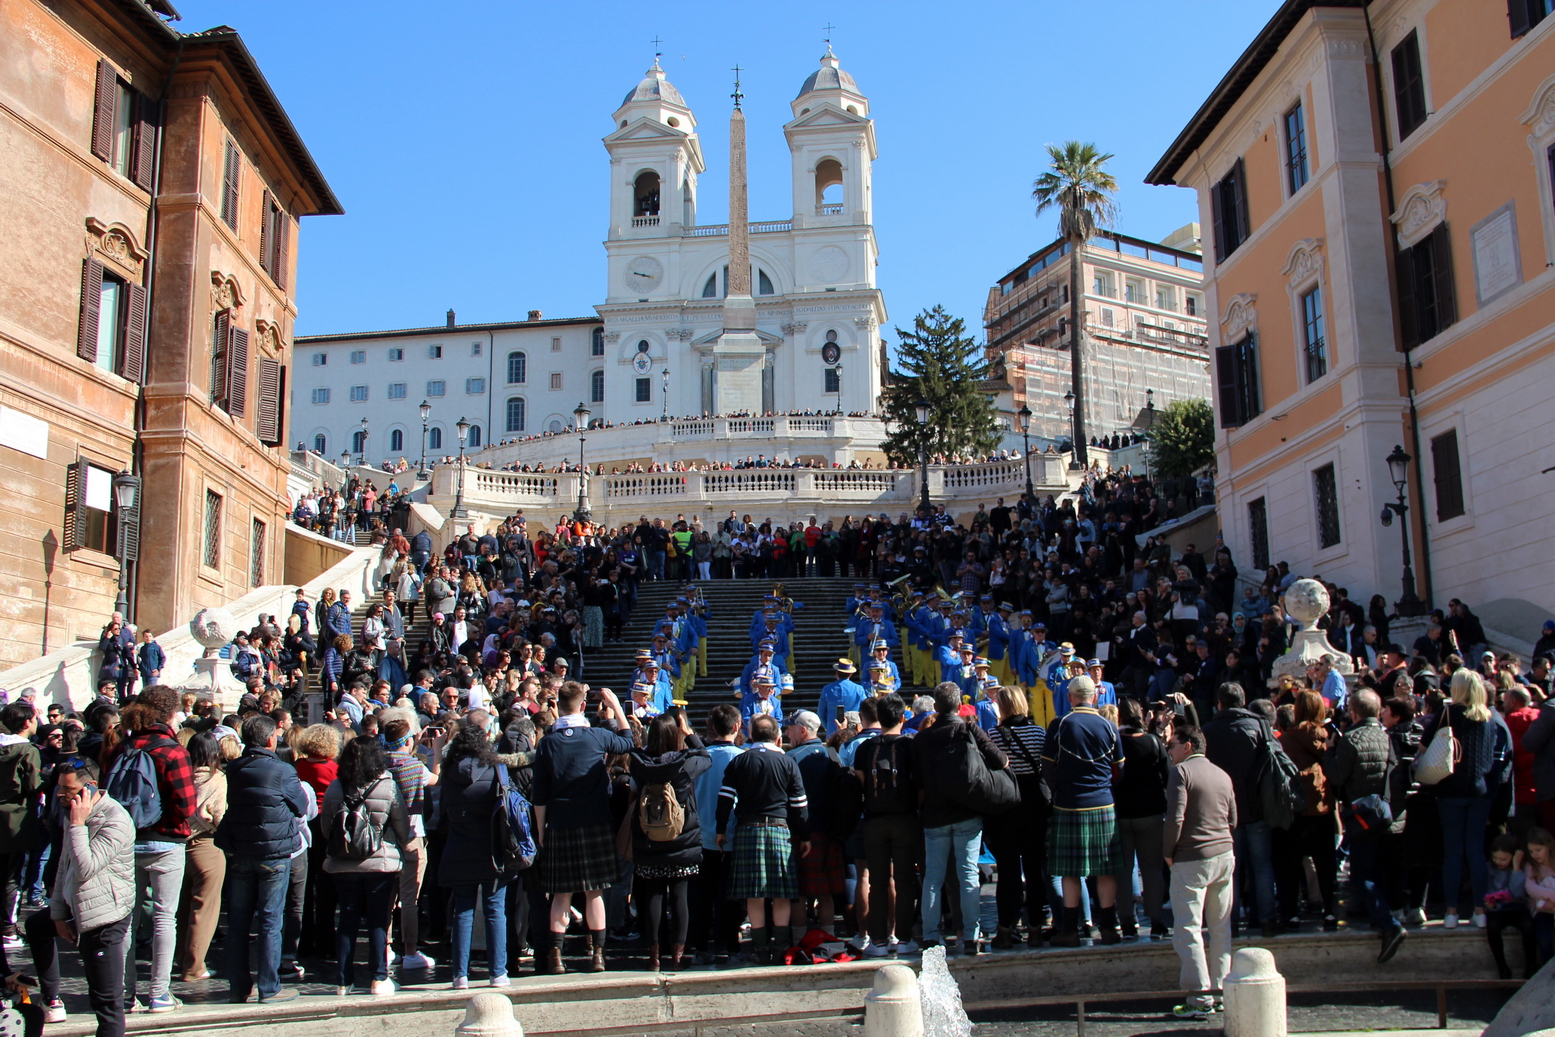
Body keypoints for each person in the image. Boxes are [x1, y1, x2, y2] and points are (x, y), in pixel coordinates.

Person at [532, 683, 634, 975]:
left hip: (560, 823)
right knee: (594, 892)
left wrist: (541, 830)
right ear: (582, 706)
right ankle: (598, 955)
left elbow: (539, 794)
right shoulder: (596, 736)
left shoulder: (547, 743)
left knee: (561, 894)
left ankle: (555, 958)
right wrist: (616, 707)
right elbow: (627, 742)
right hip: (595, 822)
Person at [217, 715, 311, 1005]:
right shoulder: (282, 770)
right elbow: (301, 806)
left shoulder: (234, 768)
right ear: (271, 739)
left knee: (238, 921)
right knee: (271, 920)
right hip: (274, 852)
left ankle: (238, 985)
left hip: (241, 849)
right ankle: (269, 987)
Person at [912, 680, 1009, 954]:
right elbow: (1002, 761)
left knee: (933, 878)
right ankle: (971, 936)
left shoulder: (922, 739)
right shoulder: (968, 729)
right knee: (968, 876)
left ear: (936, 705)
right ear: (958, 704)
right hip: (967, 811)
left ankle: (931, 936)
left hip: (935, 813)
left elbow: (917, 780)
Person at [46, 761, 136, 1037]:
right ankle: (50, 998)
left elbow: (85, 868)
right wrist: (58, 914)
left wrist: (77, 825)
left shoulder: (115, 819)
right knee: (37, 927)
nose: (61, 794)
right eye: (59, 787)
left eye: (68, 788)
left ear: (90, 787)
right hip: (79, 907)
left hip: (105, 916)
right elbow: (64, 865)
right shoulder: (74, 813)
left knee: (106, 1001)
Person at [716, 714, 809, 965]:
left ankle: (760, 949)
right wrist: (805, 835)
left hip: (748, 830)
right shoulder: (788, 762)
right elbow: (799, 805)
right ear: (778, 737)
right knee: (781, 894)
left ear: (750, 735)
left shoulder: (740, 761)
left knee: (753, 895)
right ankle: (780, 948)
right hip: (780, 829)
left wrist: (721, 829)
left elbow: (725, 799)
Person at [321, 735, 409, 997]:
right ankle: (378, 978)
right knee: (378, 920)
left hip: (343, 863)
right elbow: (402, 827)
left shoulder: (336, 787)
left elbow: (327, 828)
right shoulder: (388, 786)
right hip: (380, 862)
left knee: (347, 920)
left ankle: (343, 980)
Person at [1042, 675, 1124, 946]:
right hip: (1103, 802)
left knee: (1070, 870)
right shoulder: (1108, 725)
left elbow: (1047, 768)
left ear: (1070, 697)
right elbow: (1120, 769)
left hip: (1069, 803)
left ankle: (1070, 931)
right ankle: (1109, 928)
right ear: (1095, 696)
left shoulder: (1060, 724)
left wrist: (1059, 790)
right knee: (1105, 869)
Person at [1325, 688, 1406, 962]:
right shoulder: (1387, 736)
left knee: (1360, 875)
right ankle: (1381, 918)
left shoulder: (1350, 739)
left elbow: (1337, 776)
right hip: (1385, 813)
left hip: (1361, 815)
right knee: (1379, 870)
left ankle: (1388, 924)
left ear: (1354, 712)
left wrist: (1329, 752)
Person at [626, 710, 710, 971]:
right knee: (679, 896)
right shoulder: (684, 763)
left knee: (653, 894)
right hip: (681, 837)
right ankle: (678, 954)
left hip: (649, 836)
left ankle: (654, 954)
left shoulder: (639, 762)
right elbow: (705, 758)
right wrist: (689, 734)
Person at [1164, 723, 1237, 1021]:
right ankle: (1221, 992)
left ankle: (1199, 997)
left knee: (1188, 929)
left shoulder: (1181, 773)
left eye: (1172, 745)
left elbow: (1175, 818)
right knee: (1221, 928)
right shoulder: (1222, 774)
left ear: (1188, 746)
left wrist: (1168, 852)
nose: (1169, 751)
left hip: (1191, 857)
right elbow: (1233, 818)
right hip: (1224, 854)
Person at [437, 718, 516, 987]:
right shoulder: (496, 769)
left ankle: (460, 974)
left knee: (463, 910)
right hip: (493, 847)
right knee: (495, 909)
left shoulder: (449, 773)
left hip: (459, 846)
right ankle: (498, 972)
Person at [1202, 682, 1278, 937]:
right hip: (1257, 806)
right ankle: (1267, 919)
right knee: (1262, 865)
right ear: (1243, 702)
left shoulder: (1208, 732)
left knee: (1229, 871)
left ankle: (1230, 923)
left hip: (1224, 811)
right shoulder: (1259, 727)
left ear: (1220, 703)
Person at [1426, 670, 1498, 929]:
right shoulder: (1488, 718)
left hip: (1449, 789)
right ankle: (1480, 910)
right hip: (1479, 790)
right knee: (1476, 852)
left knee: (1453, 853)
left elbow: (1425, 744)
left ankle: (1451, 912)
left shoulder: (1447, 714)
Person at [853, 693, 920, 957]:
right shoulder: (910, 746)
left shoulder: (864, 748)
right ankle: (903, 938)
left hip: (873, 819)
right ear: (903, 717)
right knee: (904, 881)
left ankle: (878, 940)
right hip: (905, 818)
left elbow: (859, 784)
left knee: (877, 881)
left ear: (878, 718)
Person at [985, 684, 1051, 948]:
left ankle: (1006, 927)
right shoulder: (1039, 733)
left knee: (1008, 871)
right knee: (1034, 869)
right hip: (1034, 803)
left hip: (1006, 804)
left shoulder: (993, 735)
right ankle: (1035, 927)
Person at [688, 704, 745, 966]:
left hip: (701, 835)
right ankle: (730, 944)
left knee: (701, 895)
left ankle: (700, 945)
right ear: (737, 727)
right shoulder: (743, 757)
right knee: (730, 895)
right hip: (733, 834)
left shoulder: (699, 759)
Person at [1113, 697, 1170, 940]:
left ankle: (1127, 921)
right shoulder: (1153, 742)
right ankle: (1156, 921)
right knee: (1152, 869)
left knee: (1123, 870)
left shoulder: (1115, 743)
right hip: (1151, 811)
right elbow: (1167, 776)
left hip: (1121, 812)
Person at [174, 731, 227, 983]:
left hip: (178, 845)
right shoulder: (217, 779)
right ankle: (194, 967)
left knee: (181, 909)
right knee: (204, 909)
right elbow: (219, 816)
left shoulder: (181, 776)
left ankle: (179, 958)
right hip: (206, 844)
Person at [0, 703, 42, 950]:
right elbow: (34, 784)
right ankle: (7, 928)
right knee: (12, 876)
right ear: (27, 722)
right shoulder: (27, 750)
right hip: (16, 820)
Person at [1483, 833, 1537, 979]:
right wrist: (1491, 904)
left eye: (1503, 859)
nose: (1498, 862)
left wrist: (1516, 868)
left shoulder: (1522, 868)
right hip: (1498, 909)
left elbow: (1518, 893)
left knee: (1528, 926)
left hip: (1517, 907)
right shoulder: (1489, 868)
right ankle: (1502, 968)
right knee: (1493, 927)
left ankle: (1531, 966)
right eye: (1496, 858)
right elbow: (1488, 892)